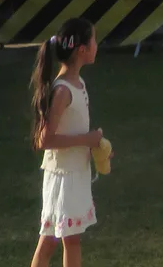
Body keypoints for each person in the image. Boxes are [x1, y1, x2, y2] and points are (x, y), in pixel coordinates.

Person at [29, 17, 105, 267]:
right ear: (82, 49)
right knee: (60, 239)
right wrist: (87, 139)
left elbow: (73, 130)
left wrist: (95, 147)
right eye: (93, 39)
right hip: (63, 177)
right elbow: (45, 139)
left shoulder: (78, 84)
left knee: (59, 238)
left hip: (75, 173)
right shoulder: (63, 91)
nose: (97, 44)